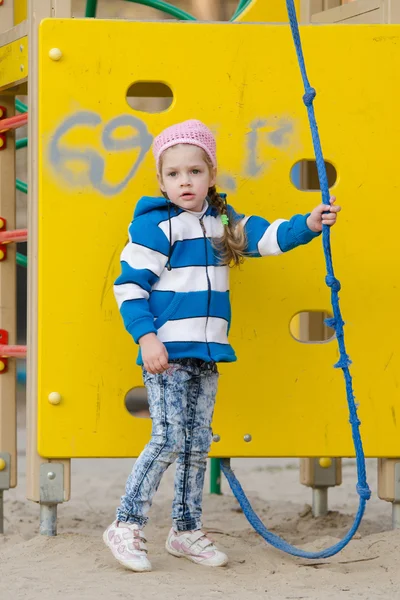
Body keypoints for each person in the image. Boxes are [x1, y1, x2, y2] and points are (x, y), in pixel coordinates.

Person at [103, 119, 340, 572]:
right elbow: (129, 287)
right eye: (173, 174)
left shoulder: (222, 221)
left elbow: (269, 238)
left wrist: (308, 224)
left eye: (195, 172)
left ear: (211, 175)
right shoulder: (155, 227)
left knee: (196, 443)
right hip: (167, 354)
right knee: (168, 437)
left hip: (207, 353)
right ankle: (126, 523)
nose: (185, 181)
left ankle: (186, 529)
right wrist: (147, 337)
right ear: (161, 180)